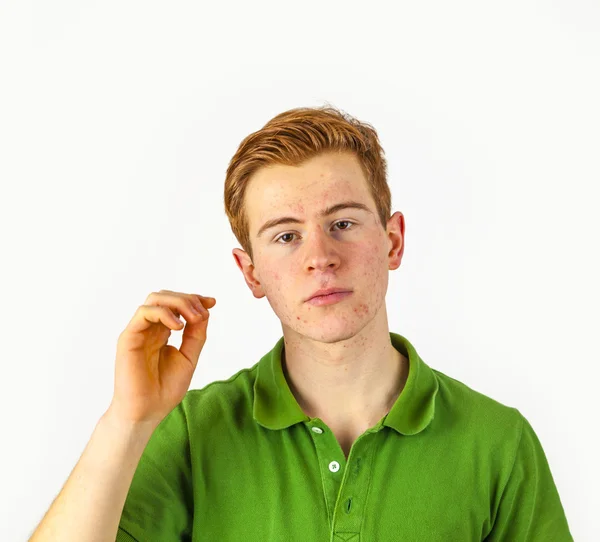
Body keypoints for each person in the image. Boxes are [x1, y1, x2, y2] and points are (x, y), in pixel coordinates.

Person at [29, 105, 573, 541]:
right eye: (286, 235)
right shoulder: (196, 433)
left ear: (394, 241)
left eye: (341, 222)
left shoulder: (499, 442)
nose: (320, 256)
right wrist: (127, 419)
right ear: (251, 272)